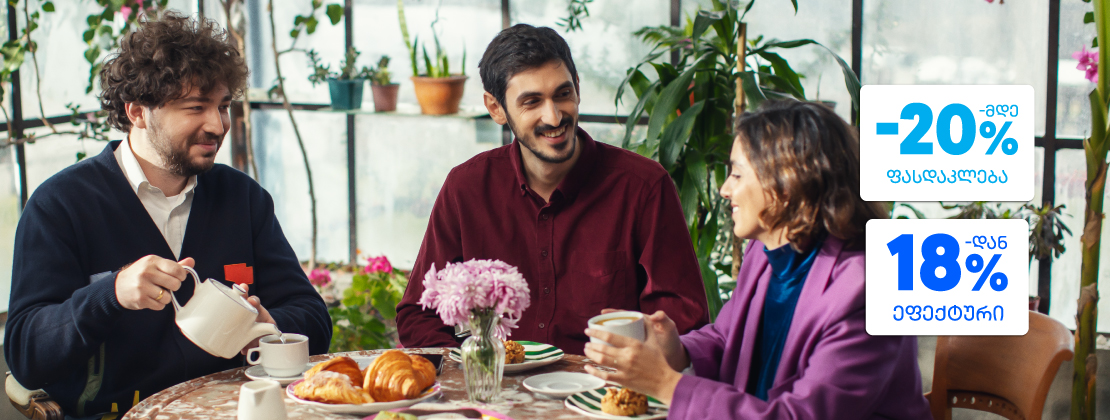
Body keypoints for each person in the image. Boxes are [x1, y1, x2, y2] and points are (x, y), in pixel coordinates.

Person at [3, 13, 331, 418]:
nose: (218, 124)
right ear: (137, 111)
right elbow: (26, 354)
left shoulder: (241, 197)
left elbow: (313, 317)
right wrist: (112, 293)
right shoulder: (61, 205)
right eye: (196, 107)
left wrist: (268, 327)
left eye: (223, 105)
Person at [582, 100, 932, 419]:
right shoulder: (766, 253)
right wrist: (676, 351)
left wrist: (666, 385)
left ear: (786, 183)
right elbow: (725, 339)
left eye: (736, 173)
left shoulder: (867, 291)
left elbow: (801, 416)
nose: (725, 190)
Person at [395, 24, 709, 355]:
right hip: (499, 391)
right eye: (532, 102)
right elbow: (419, 314)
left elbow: (684, 320)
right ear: (496, 108)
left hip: (604, 392)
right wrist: (475, 369)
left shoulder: (644, 187)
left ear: (577, 88)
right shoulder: (466, 187)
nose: (554, 116)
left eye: (562, 94)